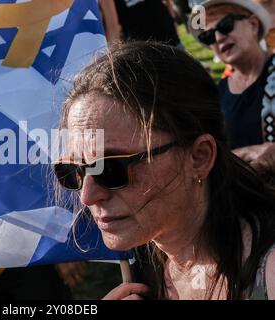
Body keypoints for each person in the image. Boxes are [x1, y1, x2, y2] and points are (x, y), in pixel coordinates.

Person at [52, 41, 275, 299]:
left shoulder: (267, 273)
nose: (87, 196)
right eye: (73, 171)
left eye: (111, 168)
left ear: (199, 157)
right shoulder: (142, 264)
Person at [188, 0, 275, 177]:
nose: (218, 37)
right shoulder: (217, 94)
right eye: (208, 36)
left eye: (225, 25)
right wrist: (247, 153)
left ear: (253, 24)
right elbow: (210, 156)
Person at [101, 0, 181, 47]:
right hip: (142, 51)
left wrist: (173, 19)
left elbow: (168, 2)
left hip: (171, 37)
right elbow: (112, 27)